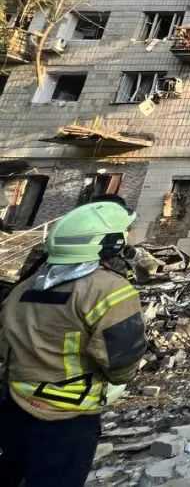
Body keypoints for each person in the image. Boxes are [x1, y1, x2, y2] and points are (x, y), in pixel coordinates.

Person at [0, 196, 147, 487]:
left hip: (13, 408)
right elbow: (122, 361)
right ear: (109, 242)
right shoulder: (109, 290)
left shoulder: (24, 287)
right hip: (67, 419)